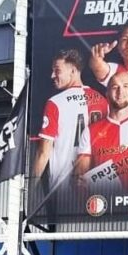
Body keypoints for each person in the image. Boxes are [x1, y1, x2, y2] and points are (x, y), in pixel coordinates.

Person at [30, 49, 106, 191]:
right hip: (99, 188)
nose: (52, 75)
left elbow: (43, 152)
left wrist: (30, 190)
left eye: (57, 70)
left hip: (64, 189)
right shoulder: (103, 101)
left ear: (73, 71)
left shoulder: (55, 103)